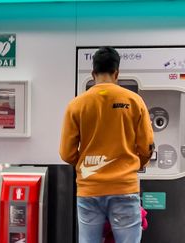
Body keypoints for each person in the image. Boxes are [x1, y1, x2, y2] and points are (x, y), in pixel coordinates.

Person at [59, 47, 154, 243]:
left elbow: (66, 153)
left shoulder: (76, 105)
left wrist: (86, 164)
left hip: (89, 189)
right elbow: (147, 146)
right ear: (116, 73)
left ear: (93, 74)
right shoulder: (134, 101)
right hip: (124, 188)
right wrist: (136, 164)